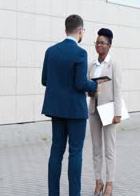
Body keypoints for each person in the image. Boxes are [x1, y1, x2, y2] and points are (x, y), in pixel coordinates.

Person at [41, 14, 105, 196]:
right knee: (75, 153)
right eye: (83, 31)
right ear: (80, 31)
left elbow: (45, 80)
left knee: (56, 152)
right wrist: (94, 85)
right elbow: (80, 84)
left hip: (56, 110)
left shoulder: (51, 51)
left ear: (65, 30)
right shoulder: (80, 53)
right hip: (75, 111)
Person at [88, 28, 123, 196]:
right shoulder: (92, 65)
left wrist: (118, 113)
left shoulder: (114, 64)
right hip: (94, 110)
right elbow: (88, 87)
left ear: (109, 45)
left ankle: (109, 183)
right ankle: (98, 181)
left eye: (102, 43)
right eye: (97, 42)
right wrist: (90, 90)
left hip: (109, 110)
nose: (99, 45)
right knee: (96, 148)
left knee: (109, 148)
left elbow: (118, 89)